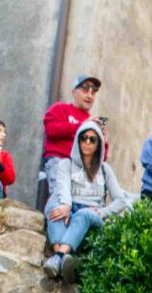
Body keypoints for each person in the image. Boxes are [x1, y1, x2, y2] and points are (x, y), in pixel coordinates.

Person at [43, 118, 131, 280]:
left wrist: (102, 212)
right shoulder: (66, 164)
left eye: (92, 139)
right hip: (70, 209)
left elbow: (121, 200)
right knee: (55, 207)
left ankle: (57, 257)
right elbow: (63, 187)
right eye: (83, 138)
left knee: (84, 214)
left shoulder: (105, 169)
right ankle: (62, 259)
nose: (87, 142)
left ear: (99, 143)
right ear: (78, 140)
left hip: (92, 215)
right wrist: (66, 205)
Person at [42, 73, 101, 185]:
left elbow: (100, 156)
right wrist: (81, 126)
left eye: (93, 93)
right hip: (60, 161)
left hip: (82, 169)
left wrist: (103, 140)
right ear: (74, 92)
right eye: (85, 91)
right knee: (62, 194)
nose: (90, 96)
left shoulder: (92, 122)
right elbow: (51, 130)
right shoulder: (60, 108)